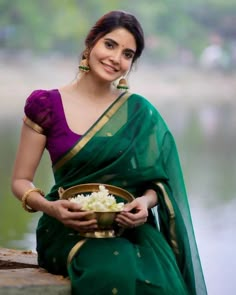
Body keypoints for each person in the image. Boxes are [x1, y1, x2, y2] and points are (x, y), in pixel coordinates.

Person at [11, 10, 207, 295]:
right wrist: (52, 208)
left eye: (128, 54)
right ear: (91, 43)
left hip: (129, 230)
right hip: (67, 227)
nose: (116, 58)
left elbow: (156, 183)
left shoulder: (138, 112)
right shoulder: (46, 105)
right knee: (112, 271)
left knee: (160, 280)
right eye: (110, 45)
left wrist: (144, 203)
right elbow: (20, 181)